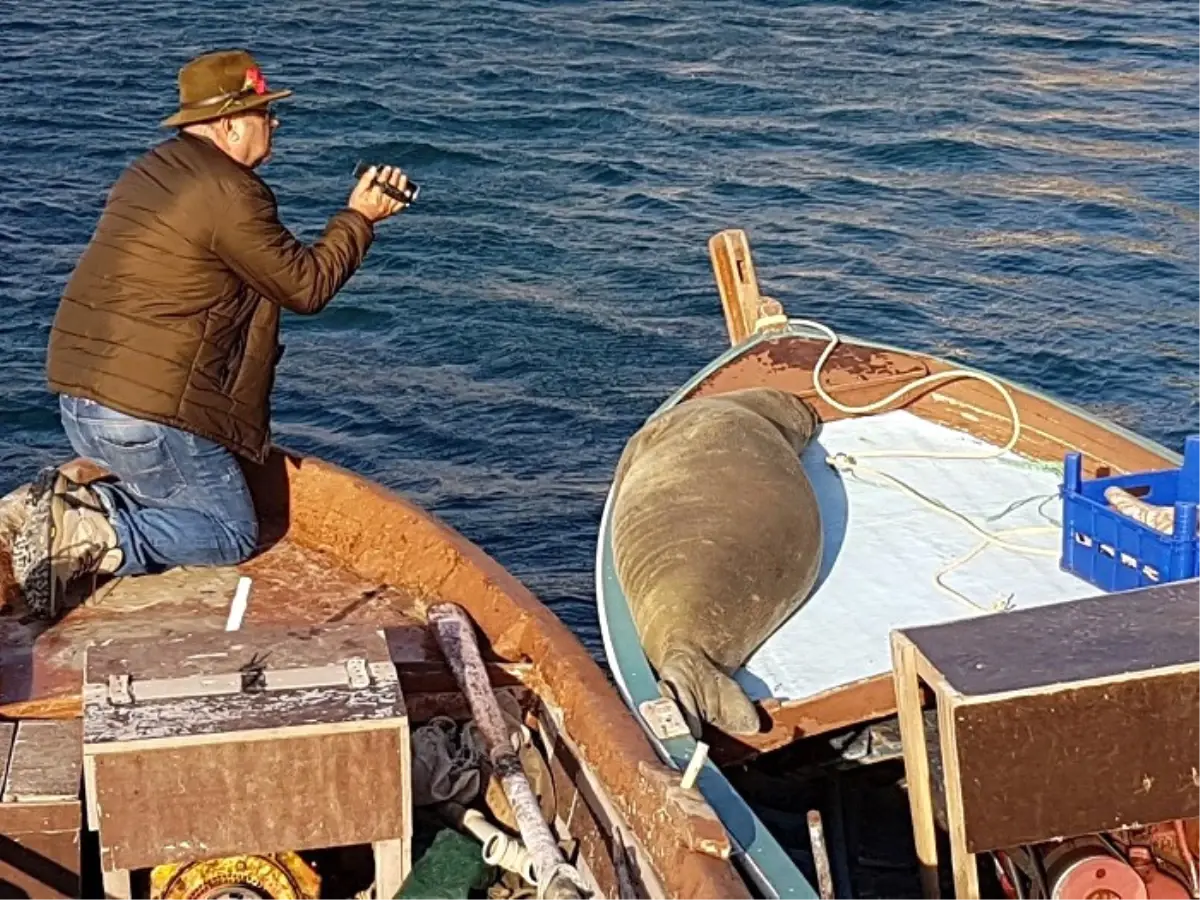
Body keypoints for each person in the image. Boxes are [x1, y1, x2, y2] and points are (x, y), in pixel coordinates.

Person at [7, 48, 411, 621]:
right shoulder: (230, 192)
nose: (274, 125)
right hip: (142, 418)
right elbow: (305, 286)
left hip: (81, 404)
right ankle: (91, 527)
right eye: (265, 115)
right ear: (228, 124)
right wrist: (360, 218)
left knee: (188, 502)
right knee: (229, 533)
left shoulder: (150, 169)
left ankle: (58, 506)